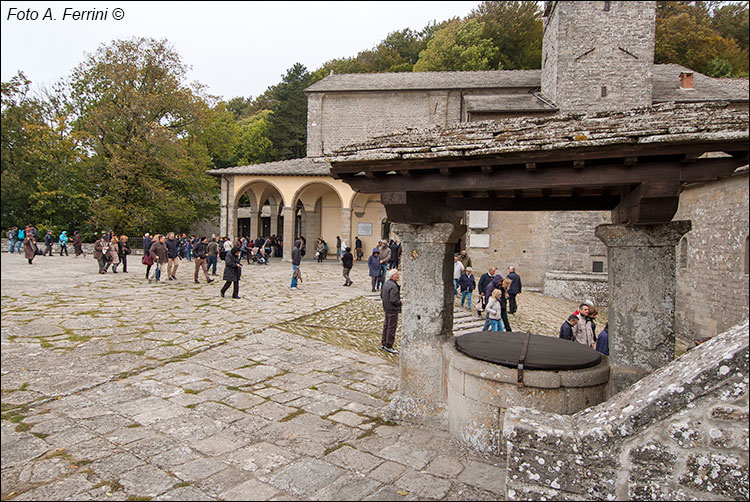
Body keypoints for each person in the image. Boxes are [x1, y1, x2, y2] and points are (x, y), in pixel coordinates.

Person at [380, 268, 403, 354]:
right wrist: (400, 303)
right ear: (393, 276)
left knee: (386, 326)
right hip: (392, 309)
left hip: (386, 308)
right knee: (391, 327)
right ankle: (388, 345)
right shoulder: (393, 286)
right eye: (397, 275)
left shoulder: (386, 283)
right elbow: (394, 300)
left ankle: (384, 343)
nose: (398, 276)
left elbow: (381, 295)